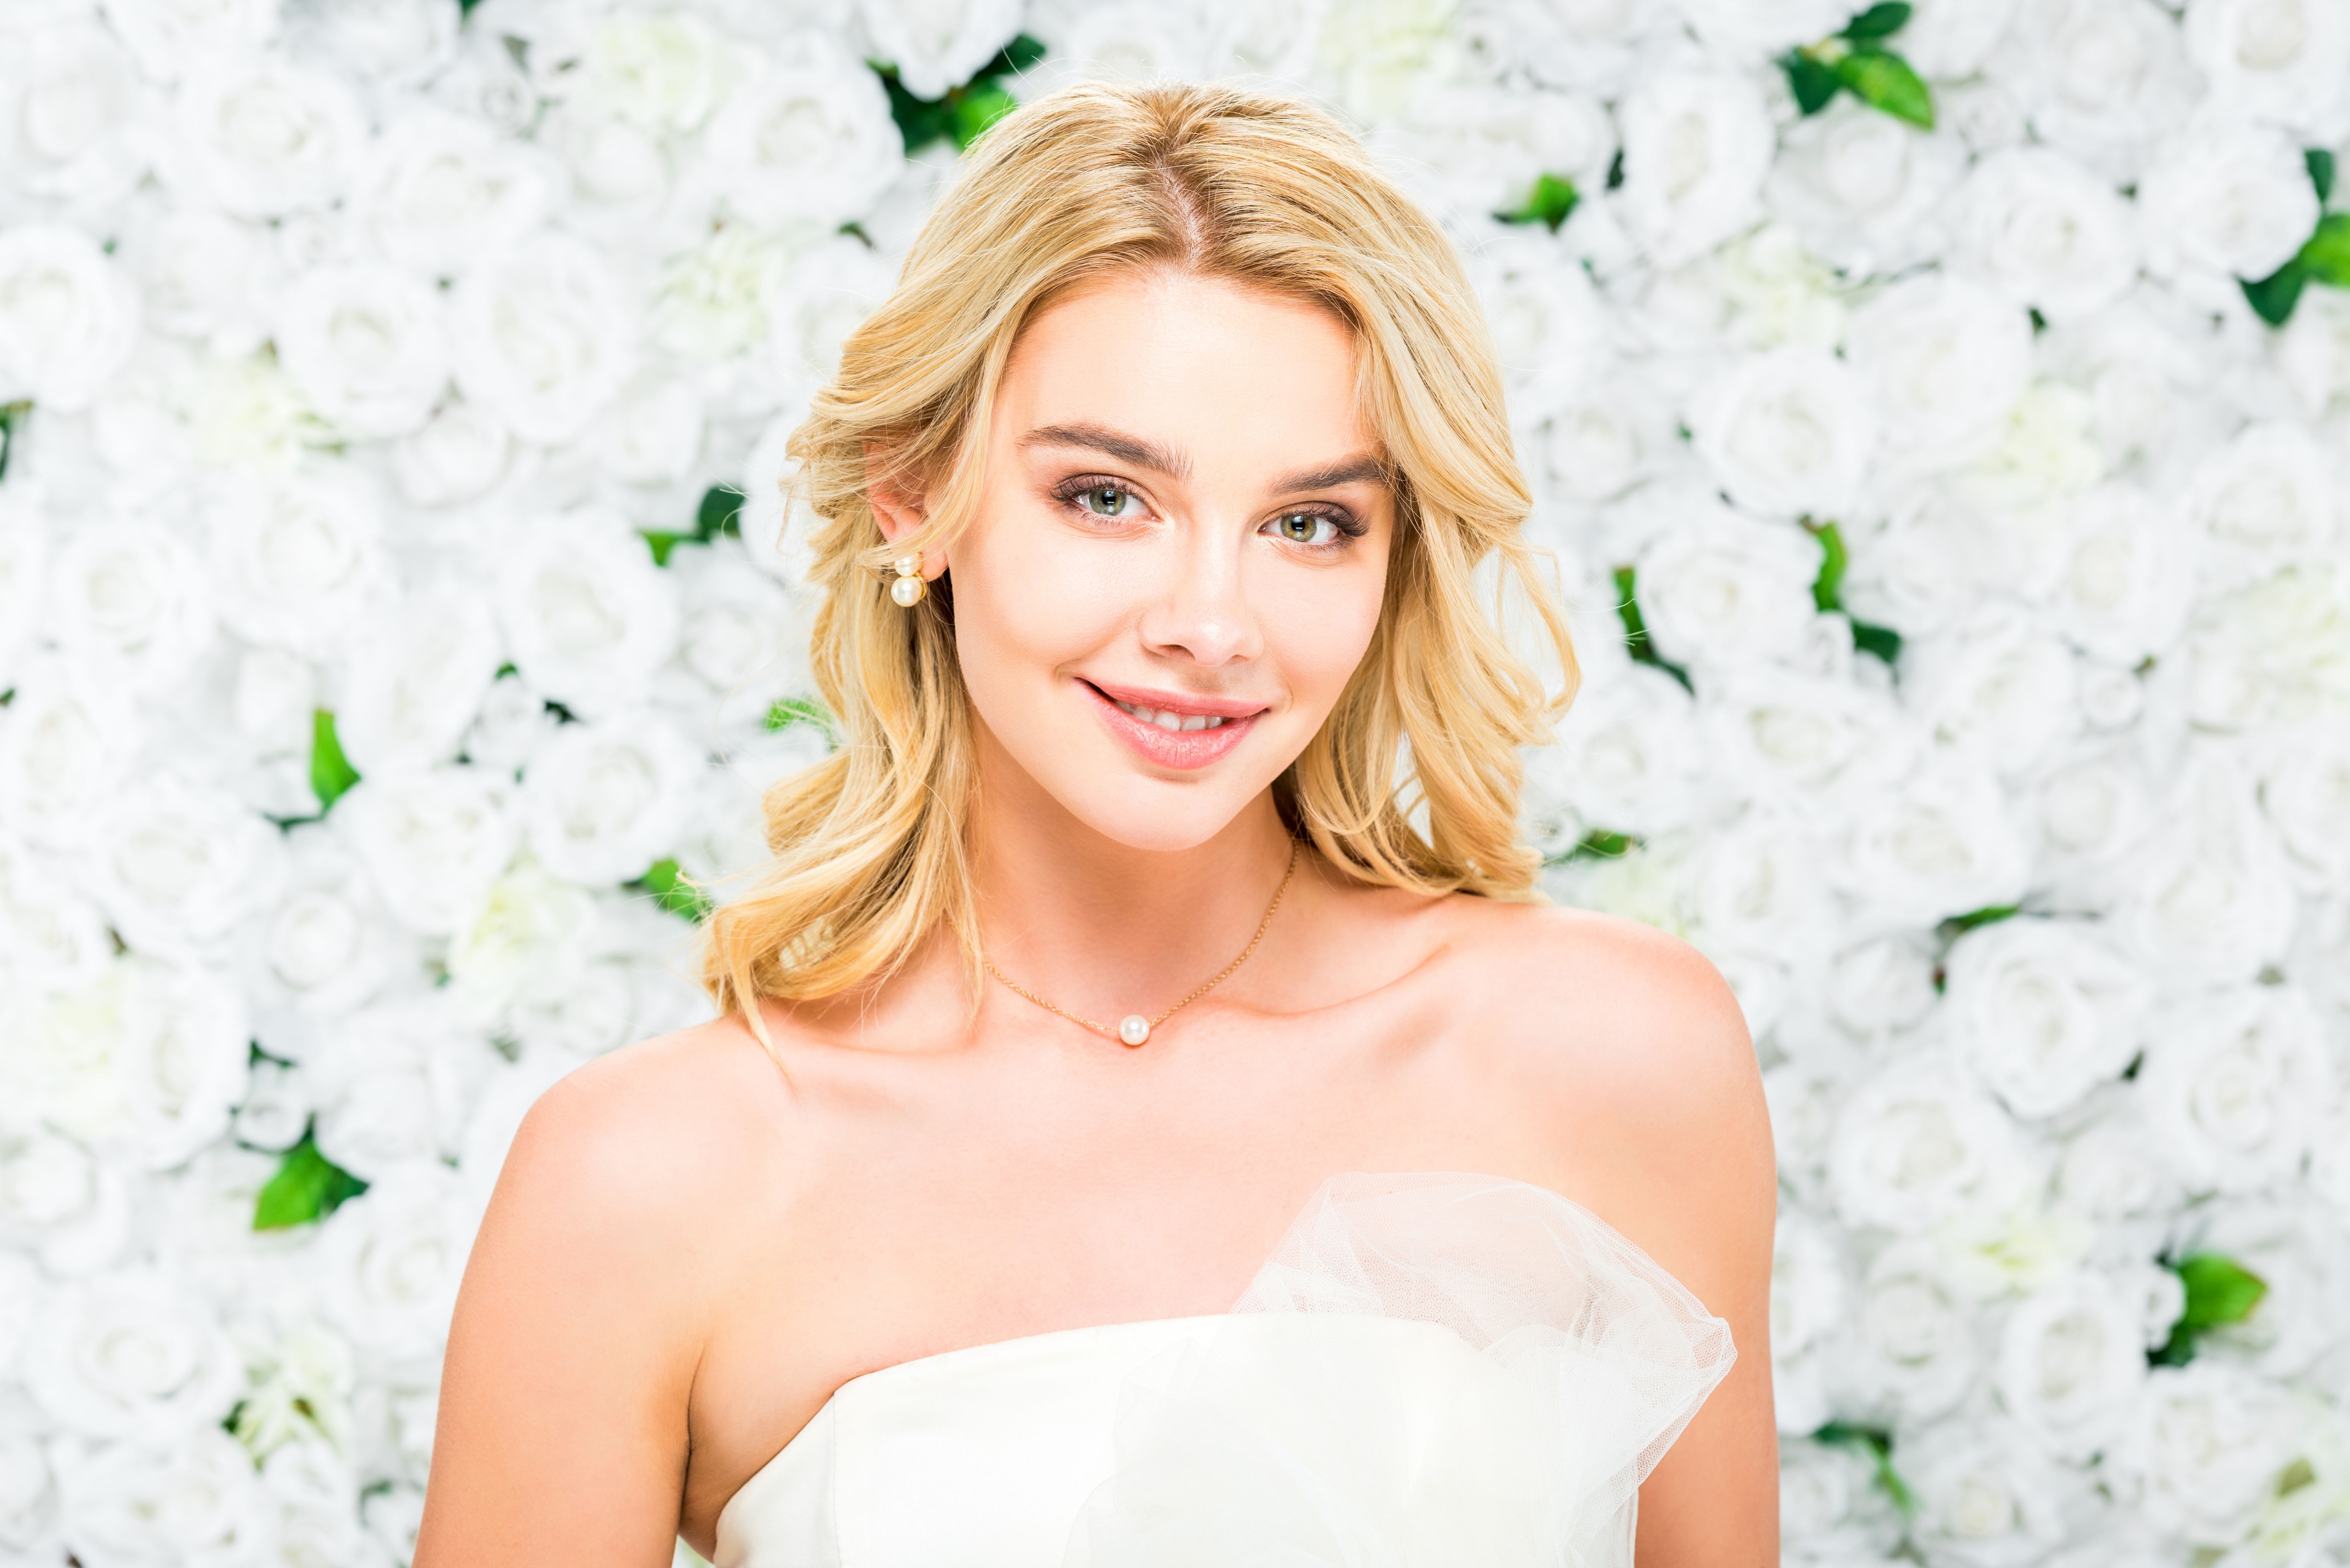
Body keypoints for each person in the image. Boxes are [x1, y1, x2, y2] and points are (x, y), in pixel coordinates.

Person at [416, 79, 1777, 1568]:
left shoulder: (1610, 1056)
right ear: (913, 499)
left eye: (1308, 522)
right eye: (1106, 496)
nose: (1208, 623)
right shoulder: (654, 1179)